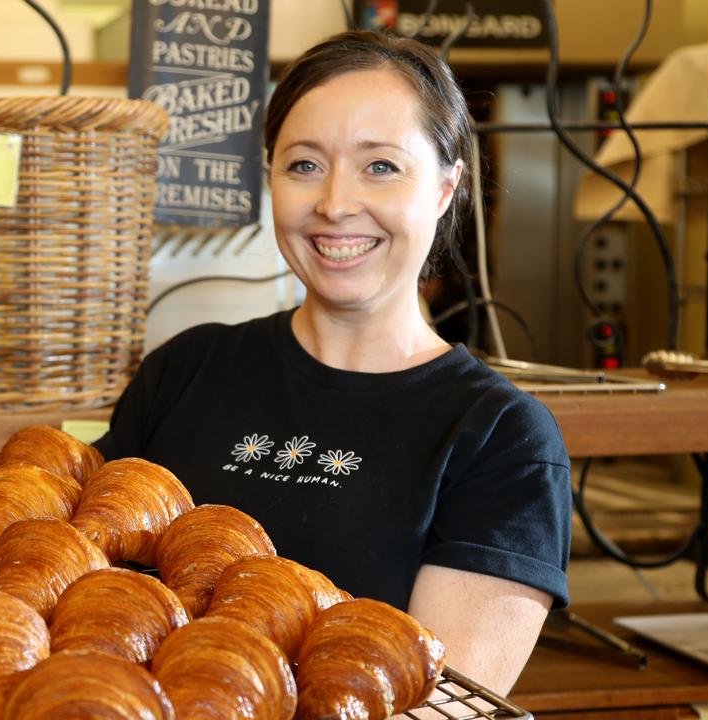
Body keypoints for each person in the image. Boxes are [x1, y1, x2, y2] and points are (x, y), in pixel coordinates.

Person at [94, 29, 572, 695]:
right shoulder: (186, 370)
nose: (335, 204)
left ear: (444, 187)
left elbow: (440, 707)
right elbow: (81, 595)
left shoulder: (500, 438)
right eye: (303, 165)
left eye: (380, 166)